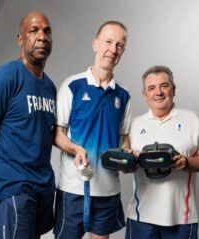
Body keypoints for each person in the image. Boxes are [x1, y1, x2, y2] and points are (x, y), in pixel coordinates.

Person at [0, 11, 56, 239]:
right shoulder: (3, 79)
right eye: (34, 30)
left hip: (43, 186)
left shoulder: (50, 87)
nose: (42, 36)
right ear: (20, 39)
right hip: (13, 187)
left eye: (47, 31)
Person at [53, 21, 132, 239]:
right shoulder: (72, 86)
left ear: (122, 52)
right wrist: (76, 149)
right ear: (95, 44)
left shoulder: (124, 95)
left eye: (119, 45)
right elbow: (57, 135)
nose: (113, 49)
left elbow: (124, 139)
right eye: (108, 42)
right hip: (73, 189)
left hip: (108, 190)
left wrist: (127, 157)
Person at [123, 65, 199, 239]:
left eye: (164, 86)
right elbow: (124, 164)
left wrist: (186, 163)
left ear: (173, 90)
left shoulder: (193, 120)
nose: (158, 92)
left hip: (182, 217)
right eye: (151, 88)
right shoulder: (133, 125)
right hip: (140, 216)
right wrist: (130, 161)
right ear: (145, 95)